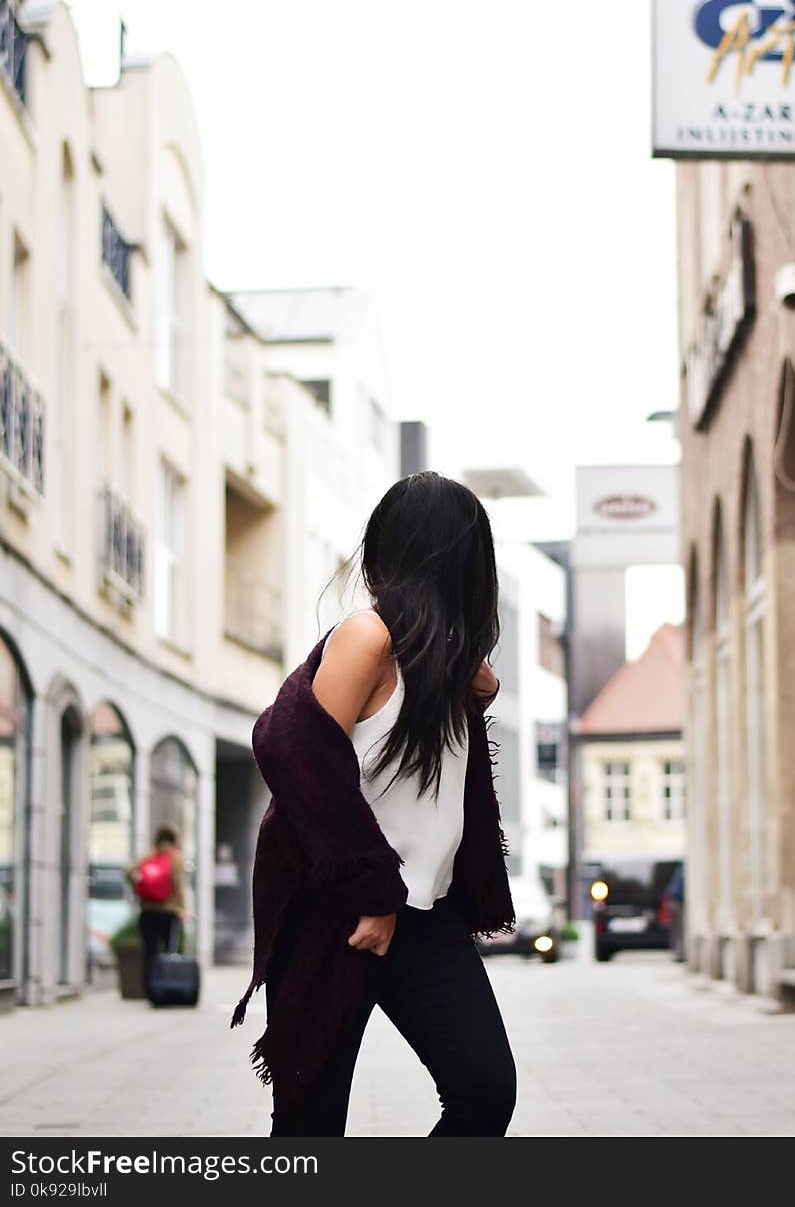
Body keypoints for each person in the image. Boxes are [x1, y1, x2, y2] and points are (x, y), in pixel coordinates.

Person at [237, 471, 517, 1137]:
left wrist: (468, 668)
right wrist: (373, 893)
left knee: (483, 1092)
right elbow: (293, 756)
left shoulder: (452, 664)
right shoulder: (366, 637)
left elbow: (468, 728)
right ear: (458, 558)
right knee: (309, 1127)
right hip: (339, 912)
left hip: (425, 917)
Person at [126, 824, 186, 997]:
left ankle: (149, 989)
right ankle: (166, 987)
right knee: (170, 951)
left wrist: (138, 890)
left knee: (149, 952)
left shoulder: (150, 855)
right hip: (169, 912)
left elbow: (129, 870)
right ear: (174, 840)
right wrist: (181, 908)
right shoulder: (176, 858)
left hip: (148, 910)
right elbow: (179, 885)